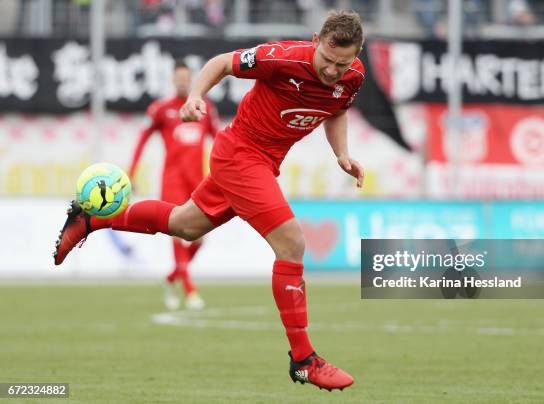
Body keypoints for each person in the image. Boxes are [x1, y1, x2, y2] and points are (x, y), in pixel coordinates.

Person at [53, 9, 365, 391]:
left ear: (356, 55)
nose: (333, 71)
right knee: (292, 243)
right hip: (240, 155)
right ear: (315, 41)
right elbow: (222, 63)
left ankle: (90, 220)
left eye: (342, 63)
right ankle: (304, 359)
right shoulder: (281, 58)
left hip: (264, 163)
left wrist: (342, 155)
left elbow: (337, 109)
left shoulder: (353, 77)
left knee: (186, 224)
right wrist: (196, 96)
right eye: (327, 60)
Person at [129, 60, 219, 310]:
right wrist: (131, 172)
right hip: (173, 181)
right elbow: (142, 139)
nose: (182, 82)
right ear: (173, 80)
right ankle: (190, 291)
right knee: (178, 235)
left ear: (191, 80)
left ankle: (171, 279)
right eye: (178, 78)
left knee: (200, 239)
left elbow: (220, 139)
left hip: (197, 182)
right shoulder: (161, 109)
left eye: (185, 78)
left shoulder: (204, 108)